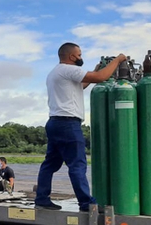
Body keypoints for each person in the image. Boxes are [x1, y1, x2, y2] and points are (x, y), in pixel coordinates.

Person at [35, 43, 126, 211]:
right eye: (79, 54)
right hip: (68, 124)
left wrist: (96, 71)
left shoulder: (56, 72)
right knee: (77, 164)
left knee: (50, 164)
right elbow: (100, 77)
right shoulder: (68, 69)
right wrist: (118, 60)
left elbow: (82, 85)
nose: (80, 57)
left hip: (55, 122)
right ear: (71, 57)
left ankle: (41, 198)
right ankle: (86, 203)